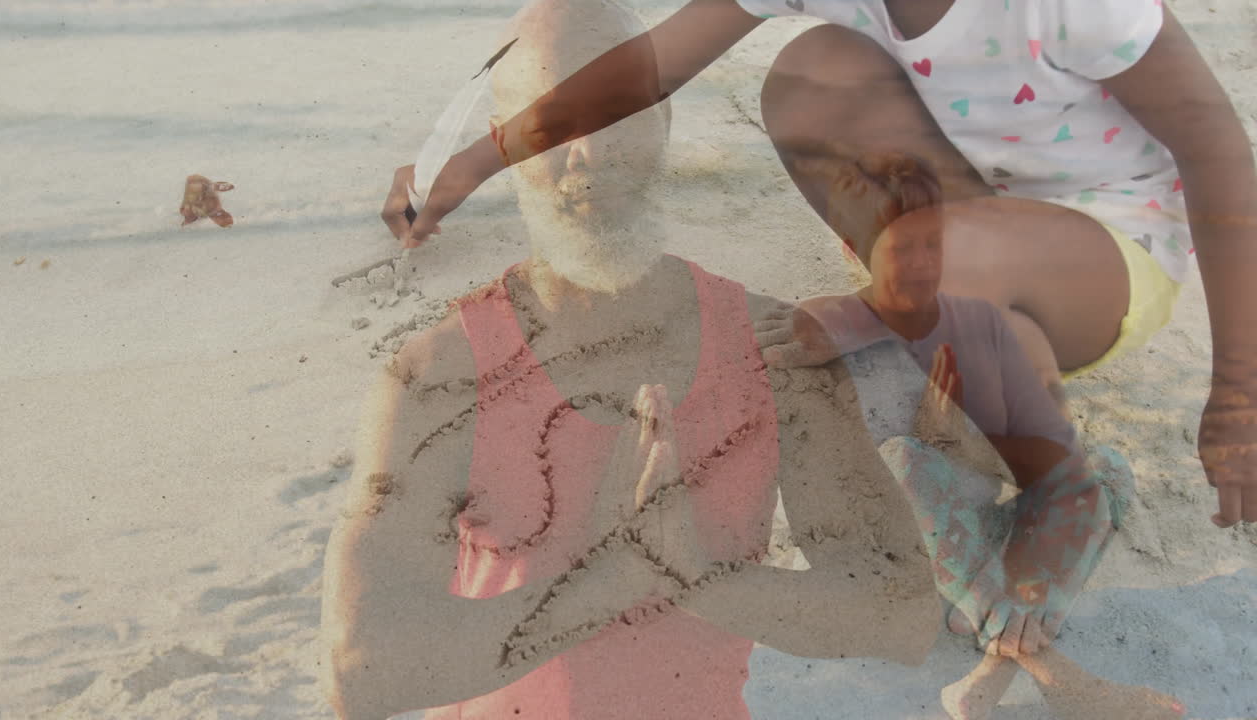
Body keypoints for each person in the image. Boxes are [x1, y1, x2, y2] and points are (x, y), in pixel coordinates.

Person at [380, 0, 1257, 530]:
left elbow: (1218, 151)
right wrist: (477, 160)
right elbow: (651, 66)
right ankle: (938, 317)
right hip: (970, 212)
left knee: (936, 255)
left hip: (1109, 251)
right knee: (810, 72)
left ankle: (1061, 495)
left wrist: (1239, 391)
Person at [324, 3, 943, 718]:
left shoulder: (776, 347)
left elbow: (904, 613)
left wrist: (698, 579)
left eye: (617, 112)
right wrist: (613, 582)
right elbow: (359, 672)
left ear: (665, 119)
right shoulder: (441, 373)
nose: (590, 153)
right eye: (550, 125)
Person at [753, 151, 1185, 718]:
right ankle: (1051, 671)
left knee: (1108, 472)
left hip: (995, 531)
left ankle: (997, 663)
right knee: (903, 461)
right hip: (930, 536)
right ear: (852, 249)